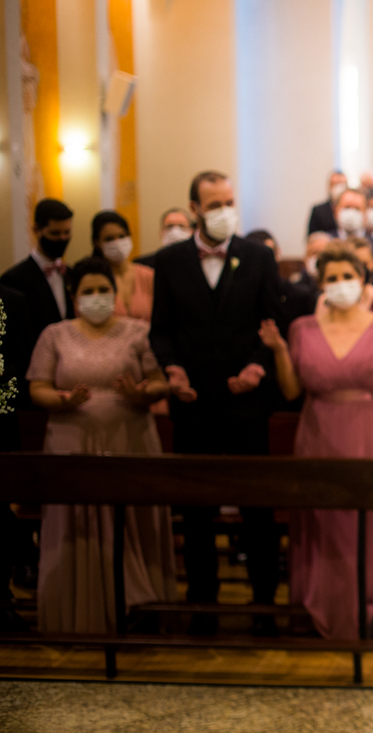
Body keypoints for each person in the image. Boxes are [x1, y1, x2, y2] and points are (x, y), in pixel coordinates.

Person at [259, 244, 373, 638]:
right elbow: (293, 389)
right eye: (331, 279)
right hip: (320, 432)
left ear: (363, 282)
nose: (340, 285)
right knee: (326, 521)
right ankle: (324, 602)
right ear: (320, 285)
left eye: (347, 277)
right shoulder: (302, 328)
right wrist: (280, 351)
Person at [149, 170, 284, 636]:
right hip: (193, 404)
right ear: (194, 210)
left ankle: (264, 600)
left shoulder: (258, 257)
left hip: (246, 405)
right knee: (197, 508)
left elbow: (271, 322)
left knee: (256, 507)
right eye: (214, 204)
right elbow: (161, 330)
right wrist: (172, 369)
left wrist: (256, 366)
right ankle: (202, 601)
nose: (224, 211)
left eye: (229, 201)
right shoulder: (168, 262)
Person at [27, 258, 176, 633]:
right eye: (88, 292)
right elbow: (37, 387)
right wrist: (62, 400)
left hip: (130, 436)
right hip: (71, 436)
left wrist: (140, 392)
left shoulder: (139, 332)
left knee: (133, 517)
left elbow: (161, 382)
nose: (97, 298)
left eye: (103, 290)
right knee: (76, 518)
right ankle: (80, 609)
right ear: (75, 297)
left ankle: (141, 605)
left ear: (115, 292)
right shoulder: (54, 335)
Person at [0, 284, 33, 631]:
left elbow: (21, 362)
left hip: (2, 424)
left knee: (0, 516)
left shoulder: (12, 300)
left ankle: (2, 599)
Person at [2, 198, 75, 341]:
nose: (62, 238)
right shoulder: (13, 279)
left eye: (66, 232)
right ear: (37, 230)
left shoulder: (71, 274)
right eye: (55, 233)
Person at [91, 211, 155, 321]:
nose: (117, 243)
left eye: (122, 236)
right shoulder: (94, 280)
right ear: (97, 243)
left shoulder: (148, 275)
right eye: (109, 239)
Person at [335, 187, 373, 278]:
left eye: (357, 209)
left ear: (366, 214)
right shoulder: (325, 243)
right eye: (347, 207)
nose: (351, 213)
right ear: (336, 211)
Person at [307, 170, 346, 236]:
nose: (339, 188)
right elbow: (312, 237)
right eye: (335, 184)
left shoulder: (351, 210)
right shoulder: (319, 211)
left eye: (342, 184)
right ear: (329, 186)